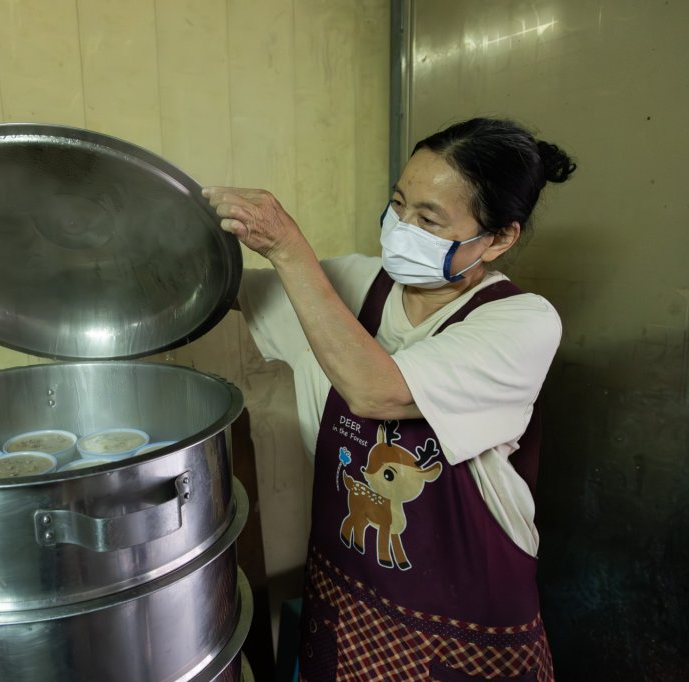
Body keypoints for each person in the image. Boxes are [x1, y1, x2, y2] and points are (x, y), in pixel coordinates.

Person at [204, 117, 576, 682]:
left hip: (466, 625)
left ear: (499, 238)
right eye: (398, 204)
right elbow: (217, 290)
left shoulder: (522, 323)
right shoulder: (350, 285)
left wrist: (286, 244)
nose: (401, 228)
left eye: (428, 219)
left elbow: (376, 390)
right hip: (347, 601)